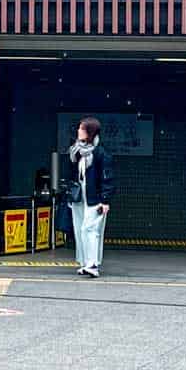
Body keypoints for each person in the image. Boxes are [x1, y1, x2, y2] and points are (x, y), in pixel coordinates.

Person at [65, 116, 116, 278]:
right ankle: (85, 262)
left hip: (95, 199)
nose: (78, 131)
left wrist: (105, 199)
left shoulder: (101, 153)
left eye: (81, 128)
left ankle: (93, 264)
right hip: (80, 198)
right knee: (80, 228)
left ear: (89, 132)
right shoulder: (77, 151)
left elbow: (107, 177)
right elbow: (74, 176)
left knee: (90, 229)